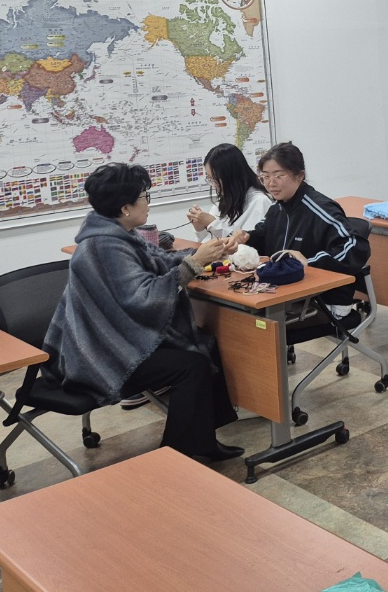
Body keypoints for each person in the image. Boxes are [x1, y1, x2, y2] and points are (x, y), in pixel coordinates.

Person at [44, 163, 242, 461]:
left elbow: (161, 260)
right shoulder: (104, 246)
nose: (148, 203)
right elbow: (145, 299)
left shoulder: (116, 234)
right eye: (144, 197)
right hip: (101, 355)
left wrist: (207, 253)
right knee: (192, 363)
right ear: (125, 207)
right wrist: (194, 263)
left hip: (112, 341)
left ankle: (202, 440)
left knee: (204, 343)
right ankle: (181, 453)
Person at [229, 142, 368, 314]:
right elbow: (264, 235)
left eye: (279, 176)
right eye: (265, 176)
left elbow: (356, 247)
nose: (271, 183)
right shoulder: (277, 208)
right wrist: (246, 238)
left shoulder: (320, 208)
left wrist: (309, 262)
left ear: (300, 175)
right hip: (286, 293)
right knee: (234, 308)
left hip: (322, 301)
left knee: (249, 318)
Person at [188, 143, 270, 241]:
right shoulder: (224, 201)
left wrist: (213, 224)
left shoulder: (260, 202)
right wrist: (200, 228)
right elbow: (206, 245)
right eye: (210, 179)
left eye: (216, 178)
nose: (214, 184)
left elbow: (249, 245)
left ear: (232, 176)